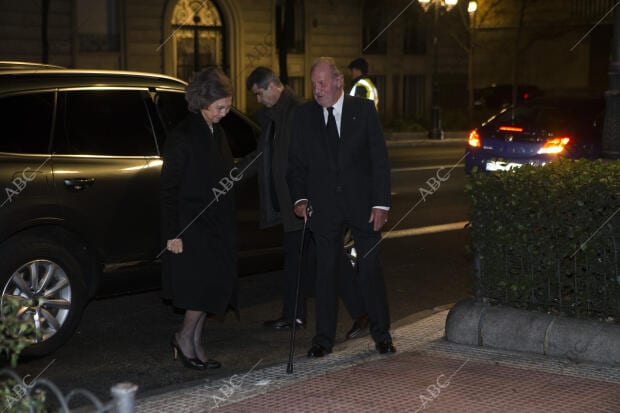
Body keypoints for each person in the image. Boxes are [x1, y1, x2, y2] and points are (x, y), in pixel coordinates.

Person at [244, 67, 369, 339]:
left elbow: (319, 156)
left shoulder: (301, 111)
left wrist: (312, 197)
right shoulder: (273, 116)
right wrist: (232, 176)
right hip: (293, 204)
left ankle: (360, 314)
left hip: (308, 203)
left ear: (272, 86)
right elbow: (263, 156)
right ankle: (296, 315)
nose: (258, 100)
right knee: (299, 260)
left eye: (258, 94)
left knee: (328, 258)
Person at [287, 57, 395, 357]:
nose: (317, 89)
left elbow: (379, 161)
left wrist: (381, 203)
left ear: (338, 82)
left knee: (370, 268)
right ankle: (323, 340)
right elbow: (295, 164)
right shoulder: (304, 116)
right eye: (313, 84)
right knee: (326, 272)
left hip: (363, 204)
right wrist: (300, 199)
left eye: (322, 83)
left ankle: (381, 335)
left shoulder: (363, 111)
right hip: (323, 208)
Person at [160, 66, 237, 370]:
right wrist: (172, 234)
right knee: (198, 289)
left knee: (213, 287)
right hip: (190, 226)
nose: (224, 113)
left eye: (227, 107)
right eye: (220, 107)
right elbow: (168, 190)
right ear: (204, 102)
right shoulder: (181, 137)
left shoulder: (216, 131)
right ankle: (183, 337)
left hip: (215, 224)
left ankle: (194, 342)